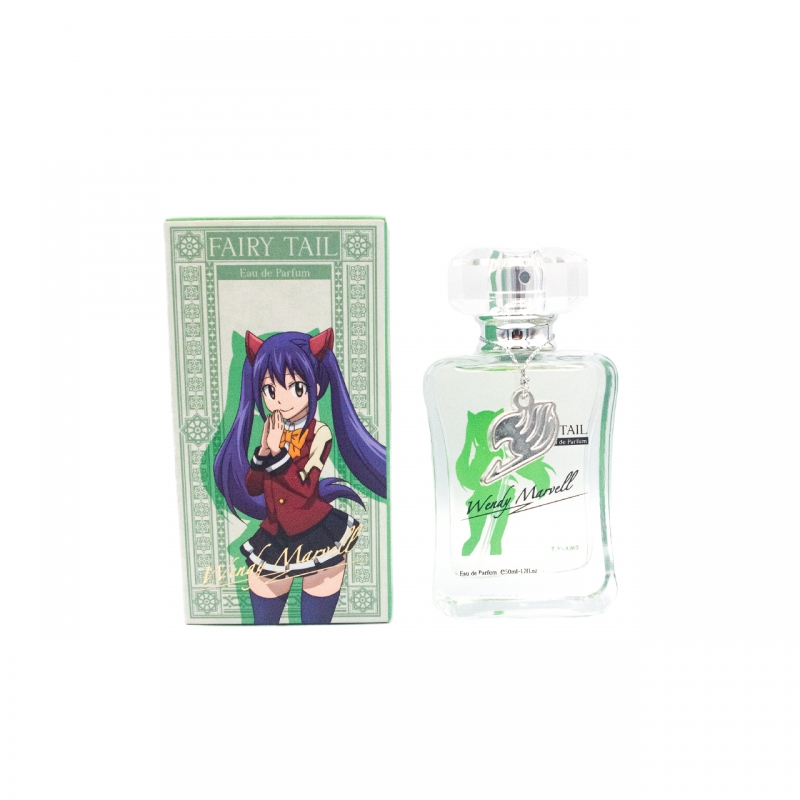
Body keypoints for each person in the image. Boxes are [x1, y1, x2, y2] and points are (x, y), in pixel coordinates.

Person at [214, 328, 386, 624]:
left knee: (315, 624)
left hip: (317, 533)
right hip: (274, 535)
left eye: (295, 388)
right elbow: (254, 487)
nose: (280, 401)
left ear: (315, 387)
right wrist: (264, 452)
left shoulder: (320, 433)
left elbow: (305, 488)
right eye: (270, 391)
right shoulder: (272, 432)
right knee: (263, 623)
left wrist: (277, 452)